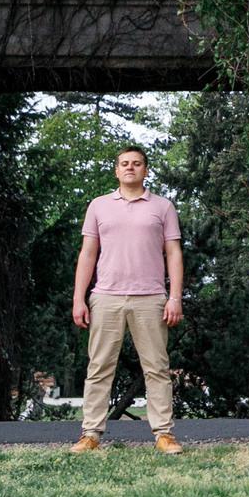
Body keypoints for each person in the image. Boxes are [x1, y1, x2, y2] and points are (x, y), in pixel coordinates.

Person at [69, 145, 184, 453]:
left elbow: (173, 253)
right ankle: (90, 434)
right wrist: (79, 299)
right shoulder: (98, 206)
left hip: (151, 298)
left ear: (145, 170)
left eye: (136, 163)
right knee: (99, 366)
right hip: (106, 296)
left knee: (157, 368)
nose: (130, 168)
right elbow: (88, 253)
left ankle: (164, 434)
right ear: (117, 171)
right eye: (124, 164)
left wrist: (175, 297)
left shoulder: (162, 207)